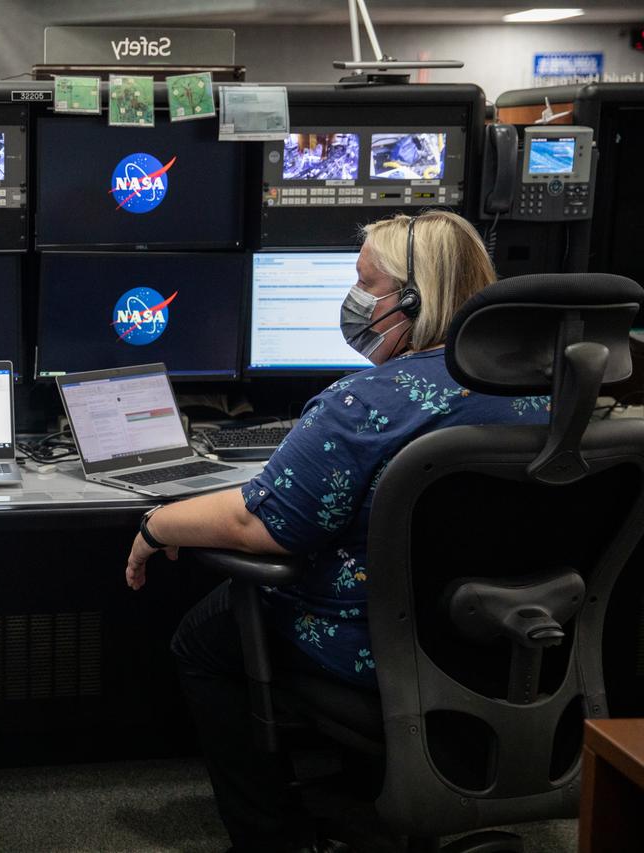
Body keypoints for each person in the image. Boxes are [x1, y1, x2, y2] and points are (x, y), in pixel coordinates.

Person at [123, 211, 551, 853]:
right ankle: (365, 791)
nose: (352, 301)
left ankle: (274, 838)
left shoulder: (369, 399)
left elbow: (261, 522)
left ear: (413, 297)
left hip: (375, 641)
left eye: (365, 284)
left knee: (203, 638)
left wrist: (156, 526)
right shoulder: (545, 397)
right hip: (512, 641)